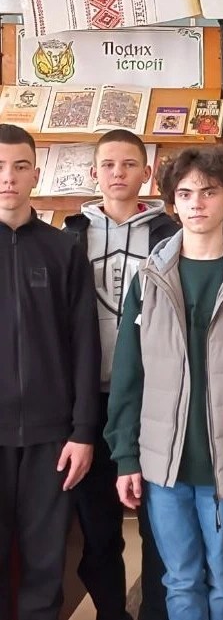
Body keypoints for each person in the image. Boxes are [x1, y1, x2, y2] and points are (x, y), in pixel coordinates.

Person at [104, 146, 223, 620]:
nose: (196, 204)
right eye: (185, 194)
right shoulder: (148, 279)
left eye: (208, 192)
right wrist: (125, 455)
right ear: (172, 202)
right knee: (180, 580)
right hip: (163, 462)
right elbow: (129, 374)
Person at [64, 129, 178, 620]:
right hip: (87, 404)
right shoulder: (69, 237)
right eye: (108, 165)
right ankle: (113, 612)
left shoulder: (170, 236)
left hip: (154, 400)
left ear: (147, 173)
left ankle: (156, 612)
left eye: (129, 164)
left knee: (159, 526)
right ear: (94, 173)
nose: (118, 173)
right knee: (99, 530)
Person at [0, 123, 100, 620]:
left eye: (20, 167)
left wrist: (83, 432)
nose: (8, 178)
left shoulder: (64, 250)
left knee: (45, 561)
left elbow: (85, 346)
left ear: (36, 175)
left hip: (52, 436)